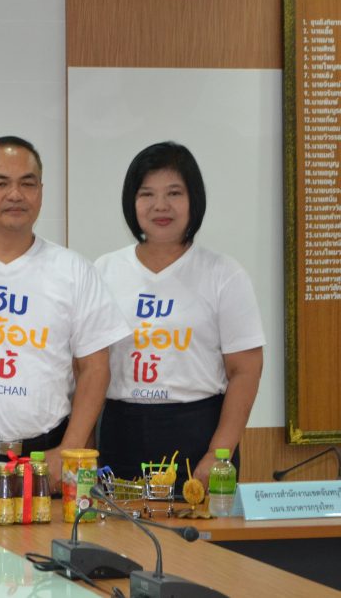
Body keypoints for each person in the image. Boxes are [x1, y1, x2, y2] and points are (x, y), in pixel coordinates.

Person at [0, 136, 130, 486]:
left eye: (27, 183)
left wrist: (69, 451)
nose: (15, 194)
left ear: (40, 192)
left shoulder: (74, 270)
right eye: (0, 183)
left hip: (47, 453)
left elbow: (95, 368)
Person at [95, 141, 264, 488]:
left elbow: (245, 370)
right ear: (132, 201)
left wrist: (218, 454)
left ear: (193, 200)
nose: (161, 206)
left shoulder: (224, 273)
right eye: (147, 194)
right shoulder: (104, 270)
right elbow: (85, 367)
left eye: (174, 193)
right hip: (120, 430)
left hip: (197, 433)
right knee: (118, 524)